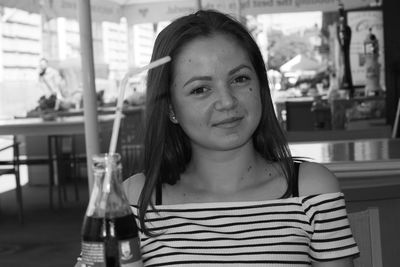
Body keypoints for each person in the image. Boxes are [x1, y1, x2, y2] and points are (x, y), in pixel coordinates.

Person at [122, 10, 359, 266]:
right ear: (170, 108)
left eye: (239, 79)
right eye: (200, 89)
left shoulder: (312, 190)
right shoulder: (135, 199)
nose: (226, 101)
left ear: (260, 86)